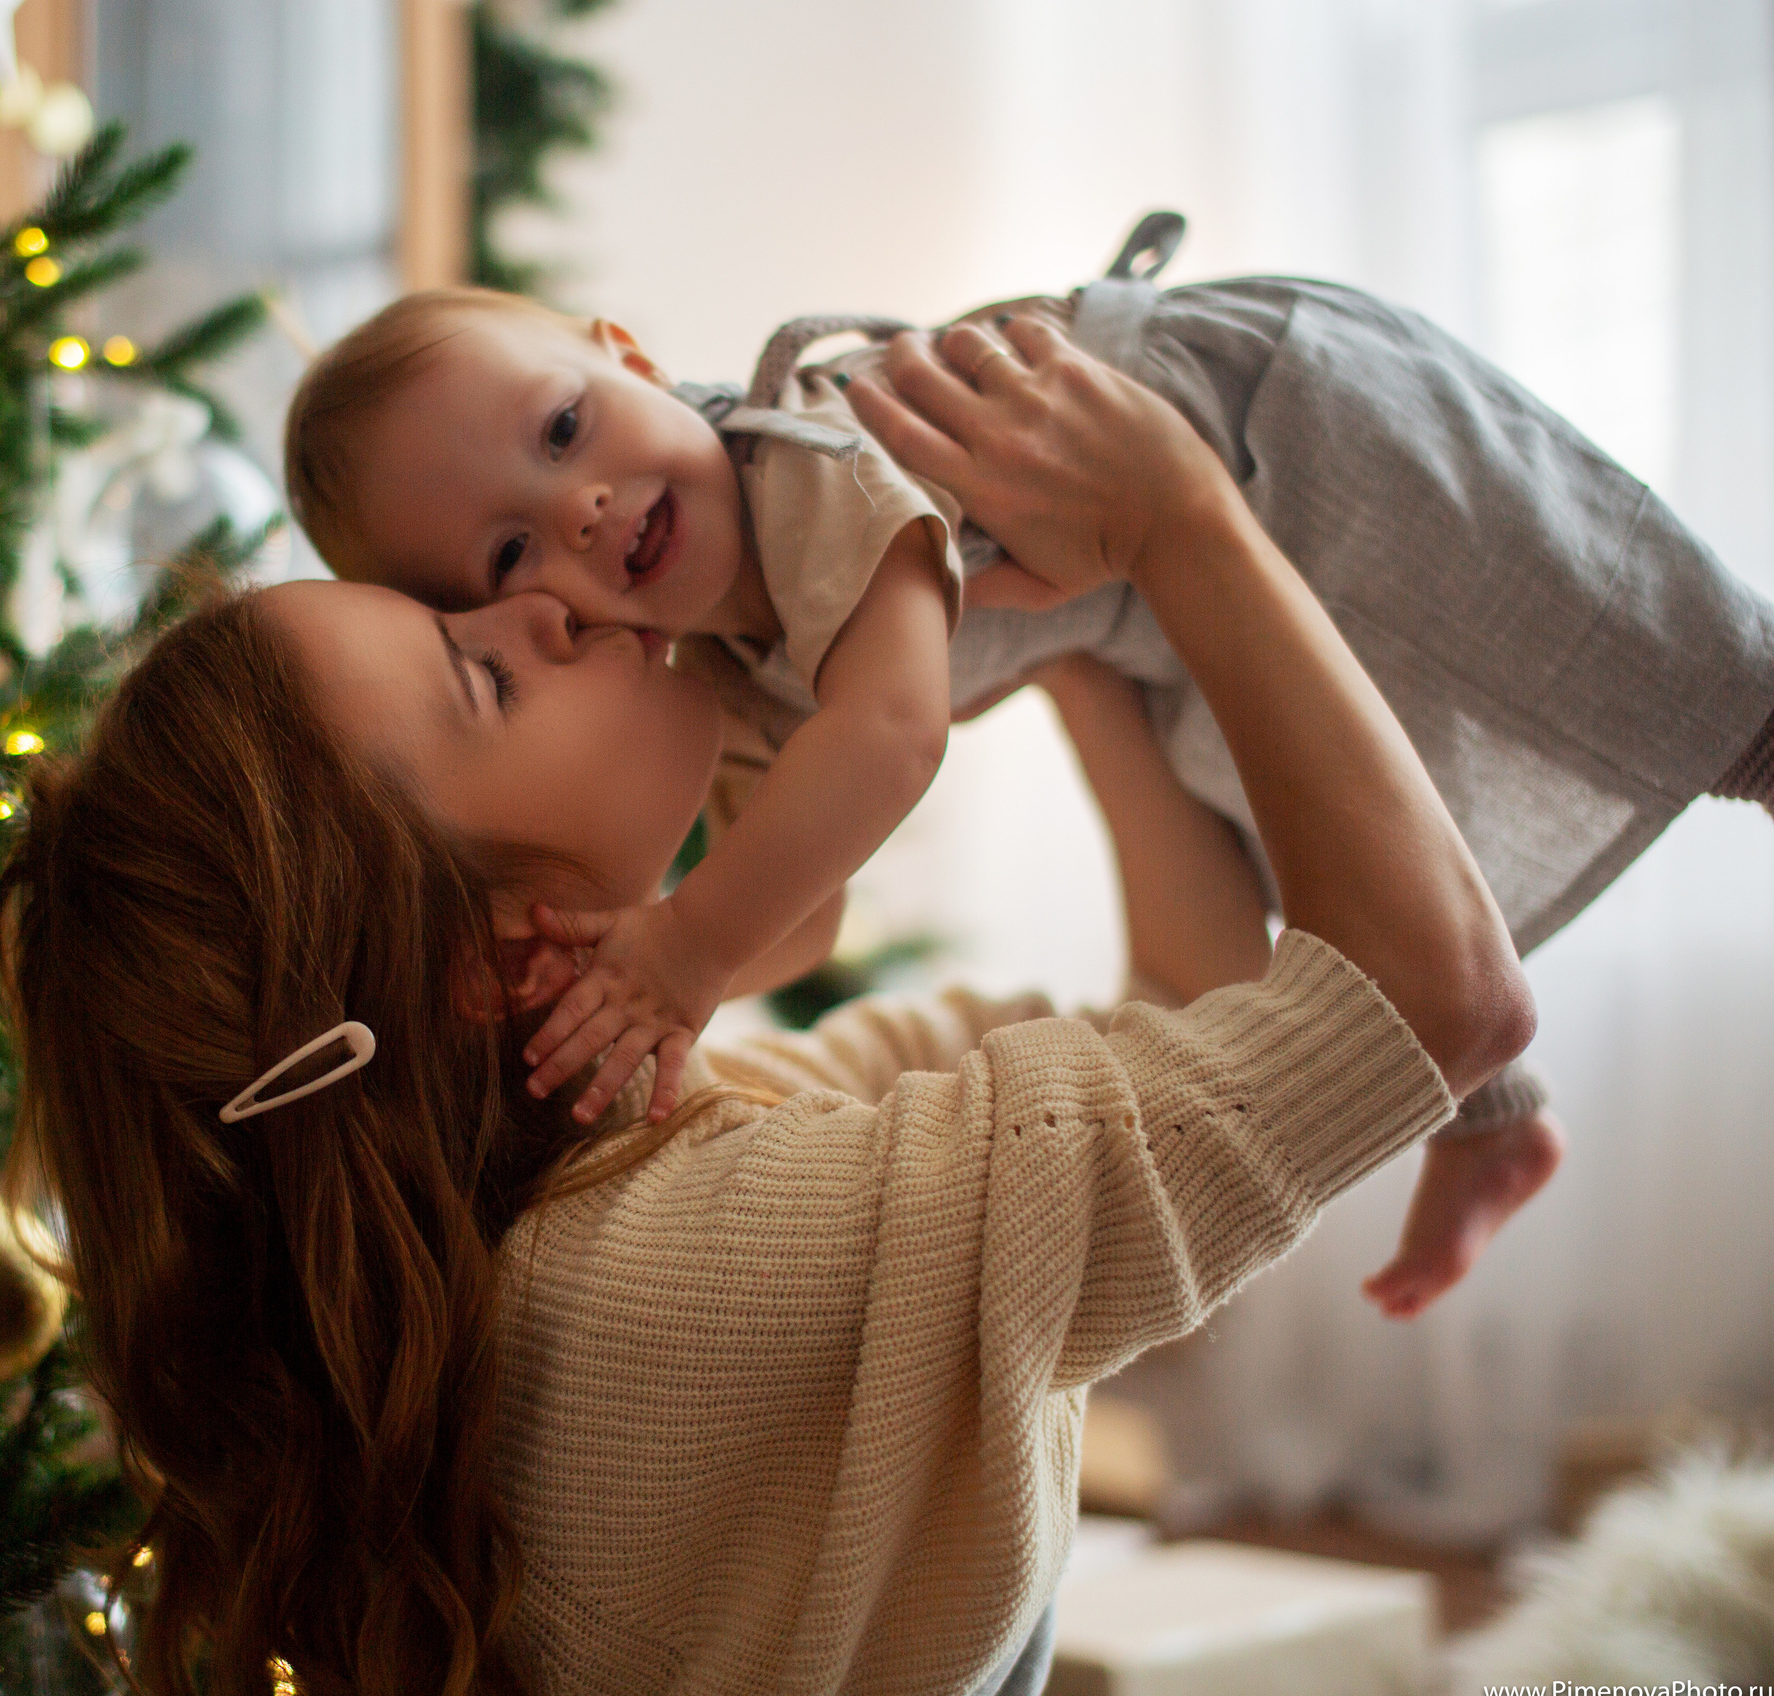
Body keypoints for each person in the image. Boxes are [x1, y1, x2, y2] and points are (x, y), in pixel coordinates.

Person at [0, 312, 1532, 1696]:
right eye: (483, 664)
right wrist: (1185, 514)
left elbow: (1195, 1016)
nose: (557, 612)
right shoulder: (709, 1279)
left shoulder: (614, 1183)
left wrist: (1066, 646)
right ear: (486, 965)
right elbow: (1431, 1004)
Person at [279, 215, 1774, 1319]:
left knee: (1582, 612)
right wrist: (637, 972)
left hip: (1270, 432)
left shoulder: (797, 465)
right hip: (1150, 620)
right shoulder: (724, 669)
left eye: (561, 428)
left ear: (629, 360)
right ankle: (1493, 1117)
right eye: (511, 545)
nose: (586, 507)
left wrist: (681, 949)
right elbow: (804, 916)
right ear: (510, 610)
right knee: (1331, 812)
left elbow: (894, 735)